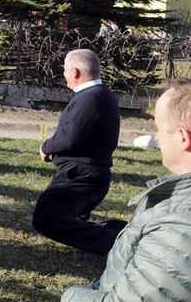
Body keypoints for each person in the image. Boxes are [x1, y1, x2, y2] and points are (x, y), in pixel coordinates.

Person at [61, 79, 191, 302]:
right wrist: (96, 291)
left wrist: (72, 300)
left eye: (160, 129)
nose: (157, 138)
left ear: (185, 138)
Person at [33, 48, 124, 255]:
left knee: (46, 218)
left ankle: (116, 243)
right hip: (87, 174)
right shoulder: (99, 95)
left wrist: (46, 146)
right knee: (59, 215)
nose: (63, 74)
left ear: (74, 72)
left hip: (81, 175)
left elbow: (70, 136)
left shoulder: (92, 98)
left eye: (64, 70)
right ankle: (120, 232)